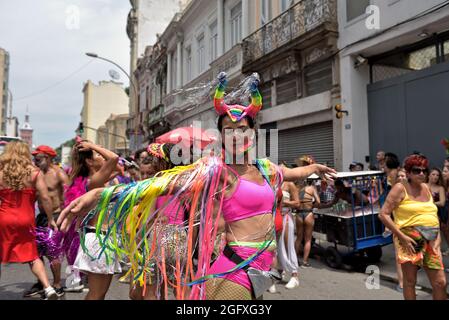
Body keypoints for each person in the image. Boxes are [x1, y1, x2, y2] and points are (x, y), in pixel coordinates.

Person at [57, 72, 336, 300]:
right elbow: (161, 185)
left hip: (262, 267)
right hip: (235, 268)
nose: (237, 135)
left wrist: (317, 168)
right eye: (229, 130)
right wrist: (100, 192)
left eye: (243, 129)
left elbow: (294, 172)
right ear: (222, 137)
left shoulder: (266, 169)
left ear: (253, 131)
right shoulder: (217, 171)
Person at [379, 154, 447, 300]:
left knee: (440, 283)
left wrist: (438, 240)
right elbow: (383, 214)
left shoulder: (427, 188)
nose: (421, 173)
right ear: (408, 172)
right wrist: (402, 237)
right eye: (417, 170)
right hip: (409, 239)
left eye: (424, 170)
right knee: (410, 282)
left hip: (432, 240)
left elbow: (434, 216)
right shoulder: (400, 188)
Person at [0, 141, 59, 300]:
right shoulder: (34, 173)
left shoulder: (1, 172)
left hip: (4, 218)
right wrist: (50, 218)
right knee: (32, 256)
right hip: (26, 219)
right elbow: (45, 198)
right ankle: (48, 288)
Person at [64, 139, 120, 299]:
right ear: (89, 161)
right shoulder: (93, 181)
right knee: (96, 294)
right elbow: (114, 158)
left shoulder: (99, 179)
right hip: (98, 238)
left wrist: (95, 149)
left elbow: (118, 167)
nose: (102, 155)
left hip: (106, 238)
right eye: (97, 154)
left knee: (101, 294)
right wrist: (93, 146)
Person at [23, 145, 69, 298]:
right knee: (35, 252)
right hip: (41, 217)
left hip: (56, 217)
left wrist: (67, 217)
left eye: (38, 159)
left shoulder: (58, 174)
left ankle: (57, 285)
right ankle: (41, 282)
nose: (35, 162)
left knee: (52, 251)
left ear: (49, 158)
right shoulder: (36, 174)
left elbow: (70, 195)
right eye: (34, 159)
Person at [276, 163, 300, 289]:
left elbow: (297, 203)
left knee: (287, 244)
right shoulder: (275, 183)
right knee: (277, 246)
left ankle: (295, 275)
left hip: (286, 217)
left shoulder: (290, 185)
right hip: (276, 217)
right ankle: (280, 272)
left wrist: (284, 202)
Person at [294, 155, 320, 268]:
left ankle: (294, 260)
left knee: (299, 238)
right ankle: (305, 262)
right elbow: (318, 202)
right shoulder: (312, 189)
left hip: (299, 214)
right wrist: (312, 204)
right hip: (309, 213)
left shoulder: (297, 188)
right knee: (308, 239)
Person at [427, 168, 449, 254]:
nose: (435, 177)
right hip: (422, 215)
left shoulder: (440, 188)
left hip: (435, 215)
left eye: (437, 175)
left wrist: (429, 203)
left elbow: (442, 202)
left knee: (435, 236)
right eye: (433, 174)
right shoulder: (423, 185)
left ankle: (435, 255)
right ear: (428, 175)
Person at [442, 166, 449, 257]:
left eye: (446, 171)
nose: (443, 173)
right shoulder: (443, 184)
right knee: (445, 229)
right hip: (445, 210)